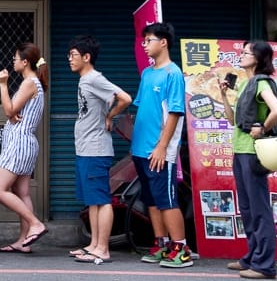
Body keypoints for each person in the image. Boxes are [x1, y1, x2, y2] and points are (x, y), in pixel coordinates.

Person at [66, 35, 132, 264]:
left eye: (74, 55)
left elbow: (124, 98)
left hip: (96, 149)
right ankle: (93, 245)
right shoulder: (85, 80)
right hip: (86, 148)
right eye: (69, 55)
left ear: (87, 57)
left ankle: (103, 249)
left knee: (102, 200)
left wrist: (110, 115)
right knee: (92, 200)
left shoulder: (94, 78)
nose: (70, 59)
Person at [218, 40, 277, 280]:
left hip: (253, 153)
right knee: (247, 208)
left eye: (246, 52)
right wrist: (224, 95)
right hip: (241, 150)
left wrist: (263, 129)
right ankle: (252, 258)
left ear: (259, 58)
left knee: (259, 209)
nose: (241, 55)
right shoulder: (245, 83)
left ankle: (265, 266)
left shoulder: (261, 82)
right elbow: (232, 119)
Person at [132, 22, 193, 268]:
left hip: (160, 151)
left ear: (164, 42)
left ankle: (181, 248)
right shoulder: (148, 73)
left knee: (167, 199)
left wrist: (161, 146)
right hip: (140, 149)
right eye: (143, 41)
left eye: (149, 40)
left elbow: (175, 113)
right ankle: (162, 243)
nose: (145, 45)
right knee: (152, 199)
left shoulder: (173, 74)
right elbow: (144, 109)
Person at [0, 42, 48, 254]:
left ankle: (35, 224)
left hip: (18, 143)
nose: (13, 62)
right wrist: (13, 112)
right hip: (25, 142)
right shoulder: (34, 83)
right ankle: (24, 241)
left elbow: (9, 111)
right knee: (22, 193)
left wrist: (3, 85)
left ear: (25, 62)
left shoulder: (29, 83)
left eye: (15, 59)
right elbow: (13, 112)